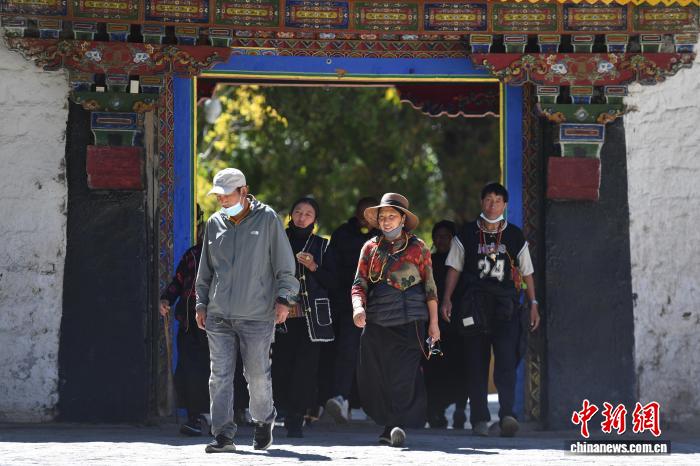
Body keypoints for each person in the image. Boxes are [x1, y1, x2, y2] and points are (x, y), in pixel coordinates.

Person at [195, 168, 299, 453]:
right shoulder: (214, 223)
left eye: (226, 195)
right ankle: (223, 435)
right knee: (219, 376)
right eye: (218, 196)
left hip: (257, 314)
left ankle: (264, 420)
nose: (222, 200)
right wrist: (201, 302)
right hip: (218, 314)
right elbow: (205, 269)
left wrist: (285, 299)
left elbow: (285, 265)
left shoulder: (268, 219)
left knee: (256, 375)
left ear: (244, 191)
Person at [440, 182, 540, 438]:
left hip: (506, 308)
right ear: (481, 202)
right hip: (474, 306)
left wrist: (533, 304)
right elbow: (454, 268)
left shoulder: (514, 235)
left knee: (506, 361)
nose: (492, 205)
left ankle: (507, 415)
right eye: (488, 199)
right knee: (476, 363)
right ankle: (480, 420)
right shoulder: (467, 234)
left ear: (505, 205)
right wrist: (447, 299)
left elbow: (527, 271)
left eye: (497, 200)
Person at [352, 193, 440, 448]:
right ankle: (387, 421)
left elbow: (430, 288)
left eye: (392, 216)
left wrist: (434, 323)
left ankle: (393, 426)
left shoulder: (419, 248)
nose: (387, 221)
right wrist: (358, 307)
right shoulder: (370, 248)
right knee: (374, 375)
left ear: (403, 219)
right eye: (382, 217)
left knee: (403, 377)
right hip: (377, 322)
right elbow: (359, 283)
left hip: (411, 321)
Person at [272, 197, 336, 438]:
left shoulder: (322, 246)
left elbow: (334, 282)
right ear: (291, 215)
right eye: (298, 212)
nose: (302, 217)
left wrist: (313, 267)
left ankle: (296, 417)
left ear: (315, 220)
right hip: (280, 316)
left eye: (308, 214)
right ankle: (279, 410)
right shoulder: (277, 241)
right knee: (280, 365)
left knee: (305, 369)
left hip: (311, 320)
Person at [323, 196, 379, 423]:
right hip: (348, 305)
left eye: (370, 213)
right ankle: (340, 398)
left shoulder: (385, 236)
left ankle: (378, 406)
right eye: (362, 212)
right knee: (346, 351)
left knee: (377, 356)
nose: (366, 218)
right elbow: (332, 268)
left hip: (380, 305)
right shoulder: (342, 234)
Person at [159, 216, 209, 436]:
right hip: (189, 322)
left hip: (219, 324)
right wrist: (166, 299)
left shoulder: (232, 257)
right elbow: (178, 281)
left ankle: (219, 419)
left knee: (217, 371)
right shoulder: (192, 255)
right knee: (189, 369)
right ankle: (194, 418)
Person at [421, 220, 468, 429]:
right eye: (438, 236)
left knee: (460, 368)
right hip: (433, 329)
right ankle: (435, 412)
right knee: (433, 369)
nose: (441, 241)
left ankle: (460, 409)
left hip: (458, 329)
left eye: (446, 237)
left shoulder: (462, 264)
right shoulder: (428, 262)